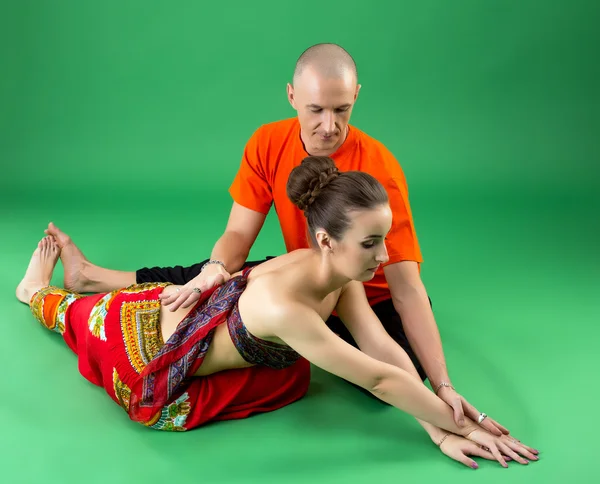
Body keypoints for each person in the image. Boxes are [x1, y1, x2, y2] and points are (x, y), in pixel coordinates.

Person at [45, 43, 505, 436]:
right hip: (317, 276)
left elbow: (406, 291)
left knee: (395, 375)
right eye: (315, 110)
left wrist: (443, 389)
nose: (329, 125)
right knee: (213, 274)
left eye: (342, 109)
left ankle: (303, 336)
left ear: (357, 98)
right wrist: (213, 272)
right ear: (291, 97)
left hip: (364, 291)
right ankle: (91, 277)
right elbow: (237, 236)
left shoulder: (380, 169)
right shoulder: (268, 144)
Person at [18, 157, 538, 468]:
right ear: (328, 240)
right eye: (371, 244)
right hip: (153, 354)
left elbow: (381, 349)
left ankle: (72, 290)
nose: (384, 258)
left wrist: (436, 426)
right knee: (75, 317)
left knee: (299, 372)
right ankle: (35, 289)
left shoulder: (333, 272)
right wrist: (465, 427)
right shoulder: (287, 307)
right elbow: (379, 380)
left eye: (386, 240)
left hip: (201, 323)